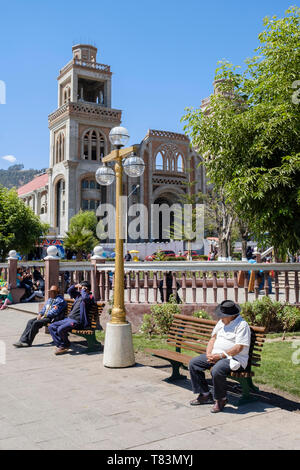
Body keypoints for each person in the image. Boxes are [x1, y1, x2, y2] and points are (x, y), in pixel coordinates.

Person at [189, 300, 251, 413]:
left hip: (234, 358)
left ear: (231, 315)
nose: (220, 317)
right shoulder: (221, 323)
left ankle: (221, 399)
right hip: (216, 355)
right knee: (194, 363)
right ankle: (205, 394)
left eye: (222, 316)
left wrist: (221, 356)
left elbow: (239, 347)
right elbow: (213, 338)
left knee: (217, 370)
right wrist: (208, 353)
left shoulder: (242, 325)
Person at [48, 281, 94, 355]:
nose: (79, 289)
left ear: (87, 289)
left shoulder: (90, 297)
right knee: (51, 326)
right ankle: (62, 344)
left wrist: (83, 290)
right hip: (69, 319)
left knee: (61, 329)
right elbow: (69, 290)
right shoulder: (78, 296)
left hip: (77, 321)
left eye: (82, 288)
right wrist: (75, 286)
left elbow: (85, 298)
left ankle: (64, 345)